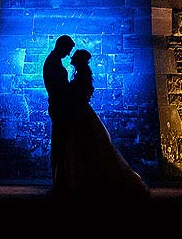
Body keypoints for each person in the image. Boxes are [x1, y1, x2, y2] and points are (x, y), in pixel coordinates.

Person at [64, 48, 149, 197]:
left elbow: (80, 94)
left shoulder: (81, 76)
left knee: (85, 145)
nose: (71, 59)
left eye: (74, 57)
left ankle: (89, 180)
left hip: (80, 112)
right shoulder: (83, 75)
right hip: (82, 111)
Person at [42, 35, 76, 192]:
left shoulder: (54, 61)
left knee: (61, 141)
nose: (69, 54)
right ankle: (59, 178)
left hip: (59, 105)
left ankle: (61, 177)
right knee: (60, 142)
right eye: (68, 50)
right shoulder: (53, 63)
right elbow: (59, 88)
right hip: (59, 106)